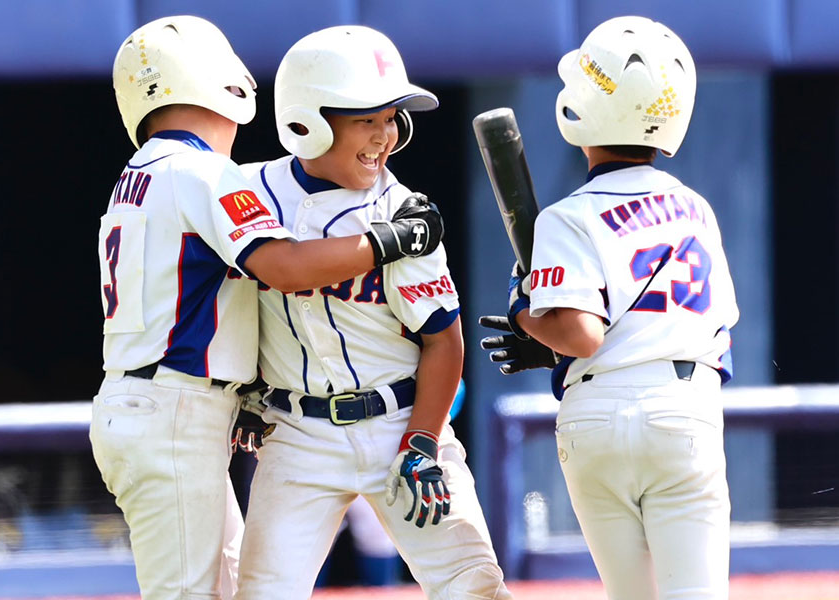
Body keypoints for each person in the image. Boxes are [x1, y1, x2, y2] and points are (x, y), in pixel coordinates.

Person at [89, 16, 444, 600]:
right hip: (173, 407)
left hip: (148, 401)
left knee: (231, 586)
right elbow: (283, 266)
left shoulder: (139, 173)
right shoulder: (203, 170)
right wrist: (392, 239)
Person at [233, 25, 511, 599]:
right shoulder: (246, 191)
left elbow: (444, 341)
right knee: (261, 592)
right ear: (306, 119)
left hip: (396, 420)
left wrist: (423, 441)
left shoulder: (405, 212)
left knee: (474, 585)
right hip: (297, 429)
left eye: (391, 118)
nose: (385, 135)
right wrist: (244, 390)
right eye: (366, 118)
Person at [481, 16, 739, 600]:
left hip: (594, 414)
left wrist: (525, 313)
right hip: (684, 406)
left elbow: (579, 335)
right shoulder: (697, 208)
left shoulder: (566, 216)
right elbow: (719, 331)